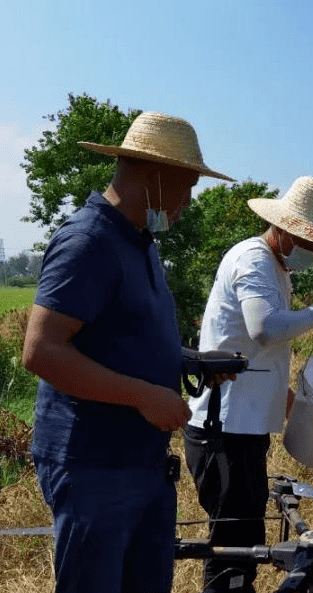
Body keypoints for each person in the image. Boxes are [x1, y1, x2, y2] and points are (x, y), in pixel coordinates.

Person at [22, 112, 234, 593]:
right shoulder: (89, 241)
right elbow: (41, 351)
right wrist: (143, 395)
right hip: (95, 466)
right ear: (155, 177)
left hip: (138, 464)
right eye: (186, 188)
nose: (187, 202)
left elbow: (120, 336)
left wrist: (186, 361)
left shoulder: (140, 242)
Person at [184, 175, 313, 593]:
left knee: (245, 542)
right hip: (223, 431)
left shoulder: (278, 269)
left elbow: (259, 356)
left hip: (245, 431)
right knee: (231, 550)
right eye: (312, 241)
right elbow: (263, 329)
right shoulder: (254, 259)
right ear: (284, 229)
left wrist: (295, 406)